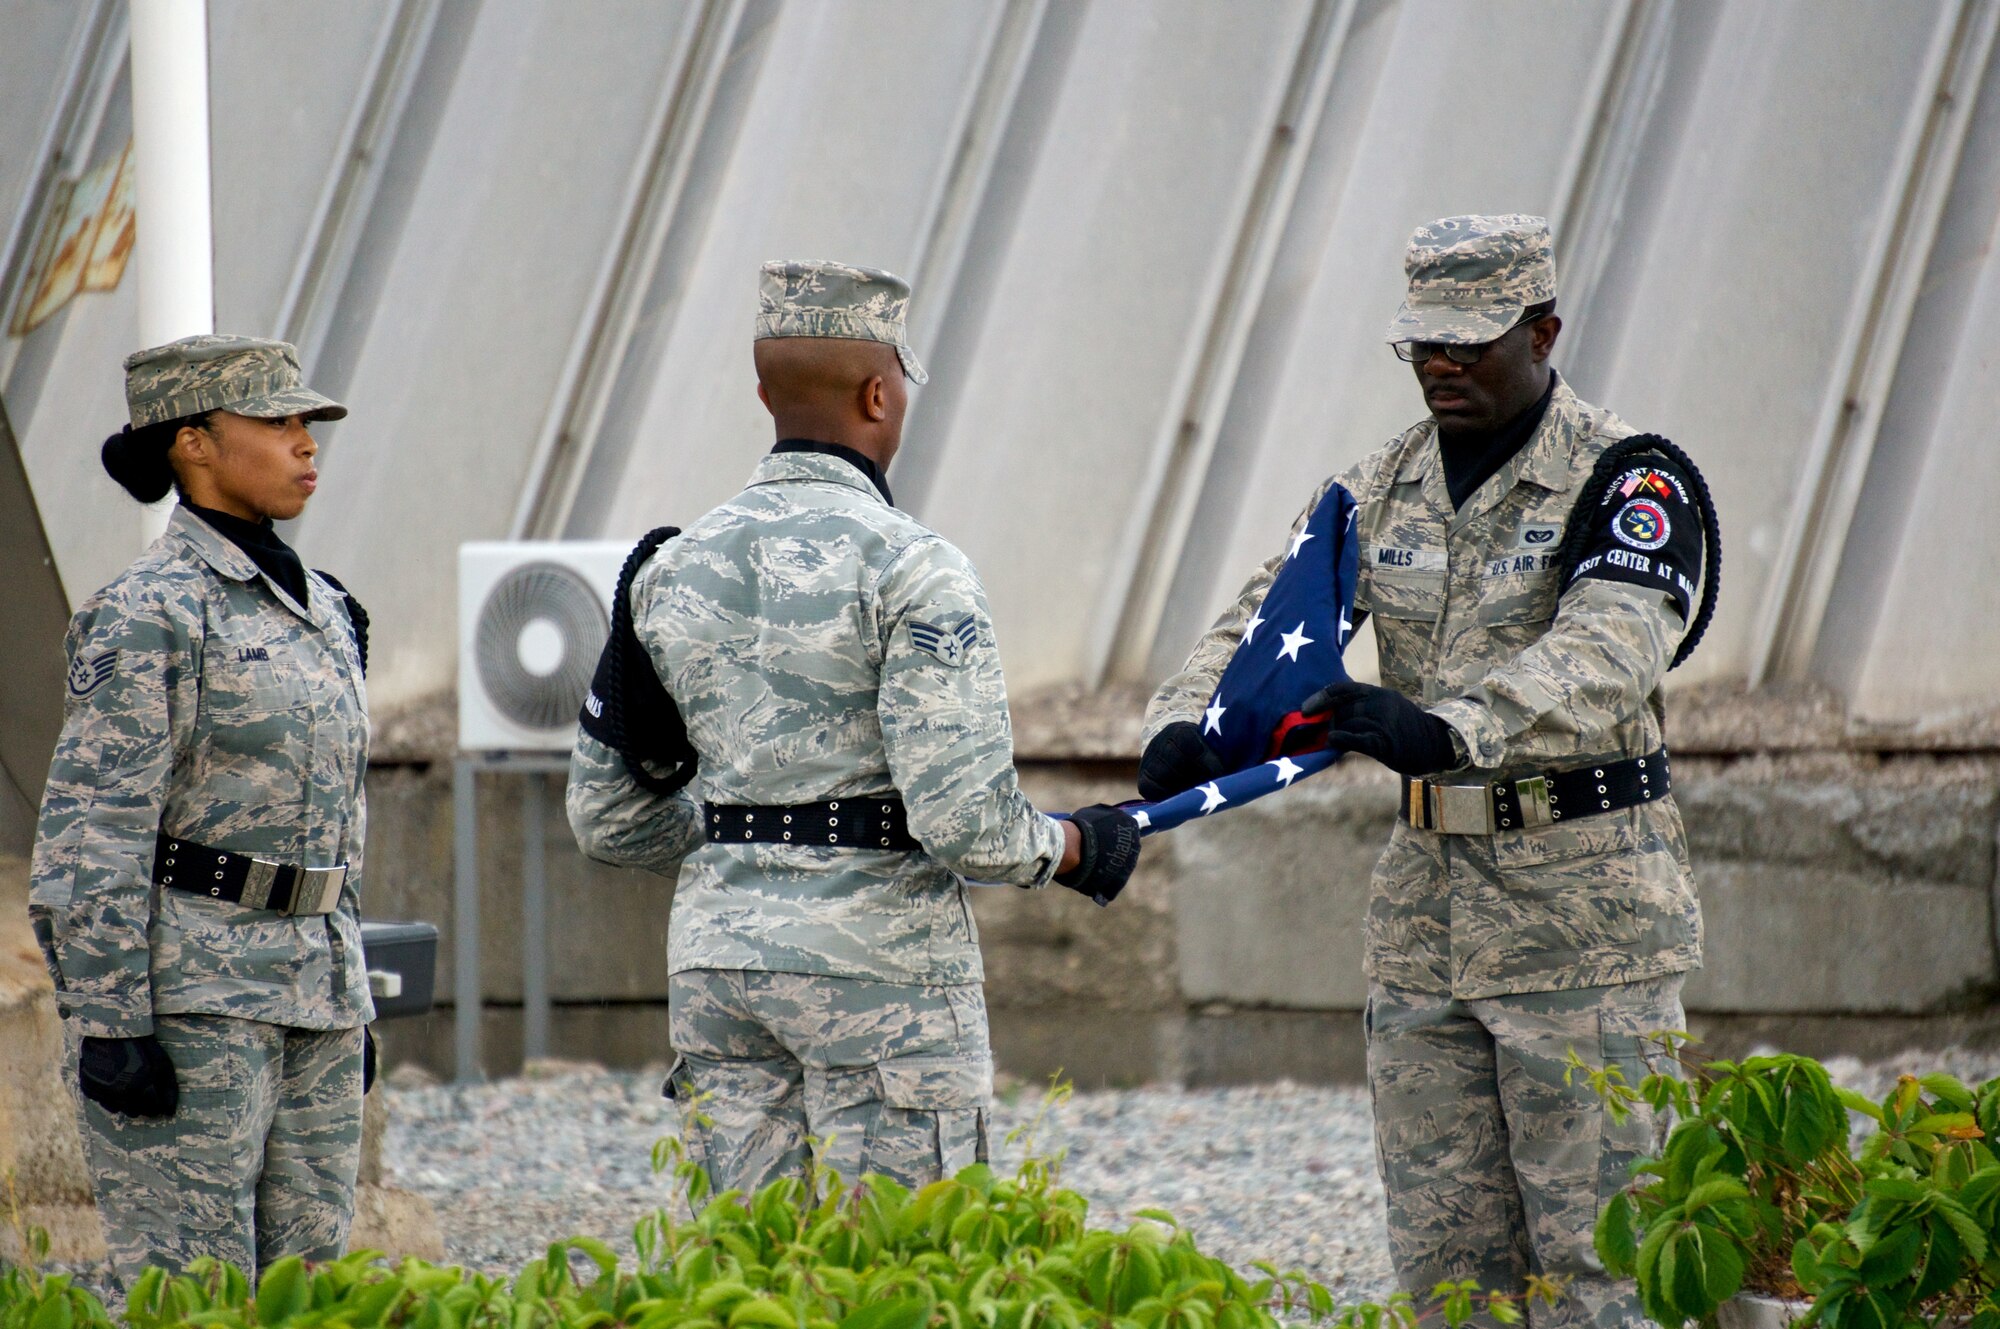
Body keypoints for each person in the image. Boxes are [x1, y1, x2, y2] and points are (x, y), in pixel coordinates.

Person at [1139, 216, 1713, 1329]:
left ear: (1544, 329)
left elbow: (1609, 651)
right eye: (1422, 345)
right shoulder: (1377, 485)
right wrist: (1183, 723)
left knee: (1604, 1267)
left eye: (1471, 342)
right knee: (1450, 1273)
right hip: (1424, 925)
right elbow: (1268, 616)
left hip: (1579, 926)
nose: (1442, 365)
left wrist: (1447, 726)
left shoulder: (1629, 480)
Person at [567, 260, 1140, 1196]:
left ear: (764, 394)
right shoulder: (917, 570)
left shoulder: (665, 571)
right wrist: (1077, 847)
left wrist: (743, 842)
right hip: (883, 978)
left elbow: (609, 818)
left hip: (721, 966)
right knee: (898, 1273)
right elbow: (967, 825)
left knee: (744, 1275)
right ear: (880, 394)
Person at [29, 335, 375, 1289]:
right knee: (197, 1298)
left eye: (308, 422)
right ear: (194, 443)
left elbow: (339, 812)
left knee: (315, 1296)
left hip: (315, 996)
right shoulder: (153, 610)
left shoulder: (325, 607)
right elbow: (93, 826)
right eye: (277, 421)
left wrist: (351, 986)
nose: (307, 443)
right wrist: (110, 1020)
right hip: (197, 1003)